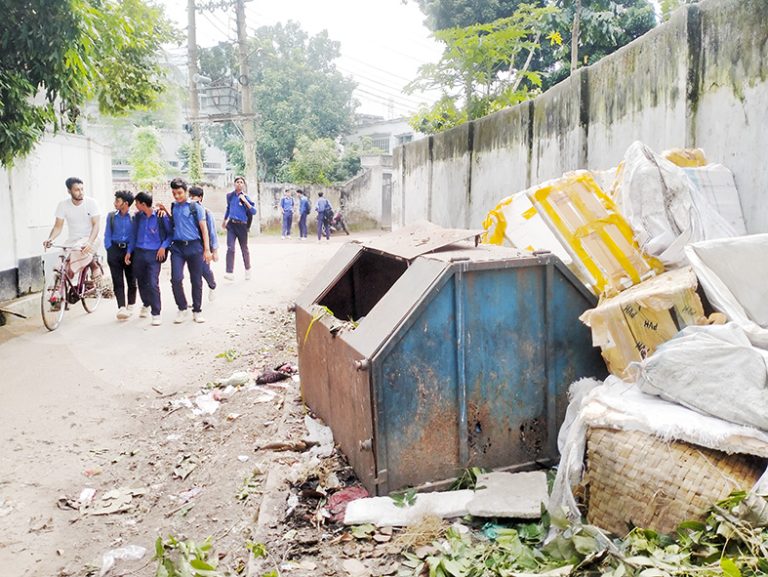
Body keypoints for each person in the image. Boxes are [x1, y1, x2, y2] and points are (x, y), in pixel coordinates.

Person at [161, 178, 212, 324]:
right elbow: (175, 223)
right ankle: (182, 308)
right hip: (177, 247)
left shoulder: (195, 207)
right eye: (174, 193)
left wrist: (207, 250)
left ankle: (197, 310)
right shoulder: (174, 206)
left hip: (194, 246)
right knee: (176, 279)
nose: (177, 196)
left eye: (179, 193)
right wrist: (164, 211)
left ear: (185, 191)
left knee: (196, 280)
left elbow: (204, 229)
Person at [43, 177, 102, 280]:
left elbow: (96, 225)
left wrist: (89, 242)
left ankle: (93, 266)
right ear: (69, 191)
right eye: (77, 190)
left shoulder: (92, 203)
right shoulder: (63, 205)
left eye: (82, 189)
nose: (81, 192)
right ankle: (59, 290)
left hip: (90, 238)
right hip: (72, 240)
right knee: (60, 263)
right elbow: (57, 227)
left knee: (77, 249)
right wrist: (50, 239)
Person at [127, 191, 170, 326]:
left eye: (137, 204)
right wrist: (129, 251)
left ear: (143, 204)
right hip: (139, 253)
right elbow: (133, 235)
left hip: (154, 254)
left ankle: (156, 313)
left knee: (153, 283)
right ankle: (146, 303)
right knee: (140, 280)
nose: (136, 206)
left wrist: (163, 246)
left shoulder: (160, 216)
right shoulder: (138, 217)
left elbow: (170, 234)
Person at [104, 190, 137, 320]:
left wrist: (129, 252)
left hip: (129, 251)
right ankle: (121, 307)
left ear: (126, 203)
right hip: (114, 250)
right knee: (117, 281)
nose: (115, 203)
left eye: (117, 201)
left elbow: (134, 237)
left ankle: (131, 306)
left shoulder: (134, 218)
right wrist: (109, 249)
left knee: (131, 281)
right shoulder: (111, 216)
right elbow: (107, 234)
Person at [223, 176, 256, 280]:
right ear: (234, 184)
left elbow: (253, 212)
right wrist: (224, 220)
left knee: (244, 248)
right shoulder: (230, 196)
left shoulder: (246, 197)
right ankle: (229, 272)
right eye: (237, 182)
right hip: (232, 225)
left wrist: (245, 201)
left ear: (244, 185)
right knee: (230, 248)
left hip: (242, 226)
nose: (239, 184)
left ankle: (248, 270)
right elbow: (228, 208)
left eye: (241, 182)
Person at [189, 186, 219, 302]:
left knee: (204, 270)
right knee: (194, 273)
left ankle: (212, 285)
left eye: (194, 196)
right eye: (190, 196)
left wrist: (214, 251)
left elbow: (212, 232)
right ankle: (196, 300)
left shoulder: (206, 213)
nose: (191, 199)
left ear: (200, 198)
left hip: (204, 246)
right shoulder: (187, 211)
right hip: (192, 247)